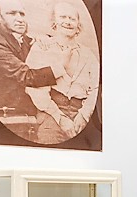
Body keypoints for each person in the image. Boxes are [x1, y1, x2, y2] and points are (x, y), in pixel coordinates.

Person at [0, 0, 66, 139]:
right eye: (12, 13)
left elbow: (32, 46)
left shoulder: (17, 37)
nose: (20, 19)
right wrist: (64, 66)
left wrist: (45, 41)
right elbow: (28, 77)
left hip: (29, 109)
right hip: (8, 118)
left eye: (22, 13)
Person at [24, 1, 99, 144]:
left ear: (78, 25)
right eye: (63, 17)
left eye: (72, 19)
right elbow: (34, 88)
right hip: (50, 113)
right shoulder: (41, 48)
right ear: (54, 22)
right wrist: (60, 118)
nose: (68, 22)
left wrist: (84, 116)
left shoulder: (88, 55)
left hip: (81, 113)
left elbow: (95, 87)